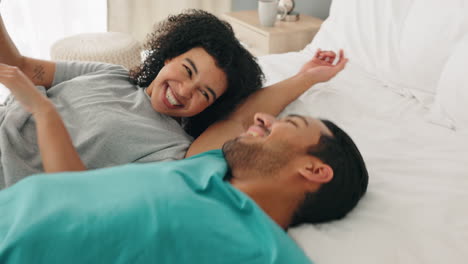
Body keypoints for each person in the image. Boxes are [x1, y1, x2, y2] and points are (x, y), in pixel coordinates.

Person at [0, 8, 347, 188]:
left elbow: (240, 118)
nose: (184, 90)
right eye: (188, 69)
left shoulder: (172, 150)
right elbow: (21, 67)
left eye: (204, 94)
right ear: (169, 56)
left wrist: (305, 77)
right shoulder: (112, 74)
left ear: (211, 107)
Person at [0, 110, 368, 263]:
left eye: (291, 121)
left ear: (314, 169)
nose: (262, 118)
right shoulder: (210, 166)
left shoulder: (267, 251)